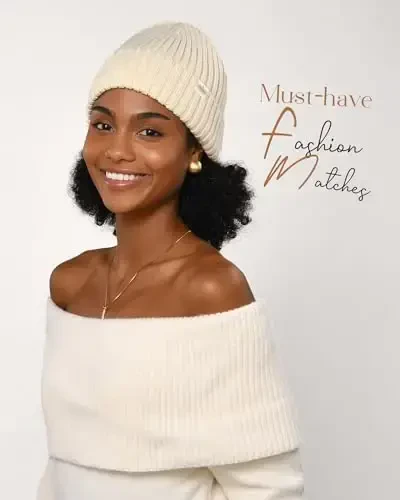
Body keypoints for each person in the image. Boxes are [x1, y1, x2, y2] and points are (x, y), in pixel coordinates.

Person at [37, 21, 306, 499]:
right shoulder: (70, 284)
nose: (117, 150)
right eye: (103, 124)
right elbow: (63, 471)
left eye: (150, 131)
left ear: (194, 151)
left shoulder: (211, 289)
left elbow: (269, 488)